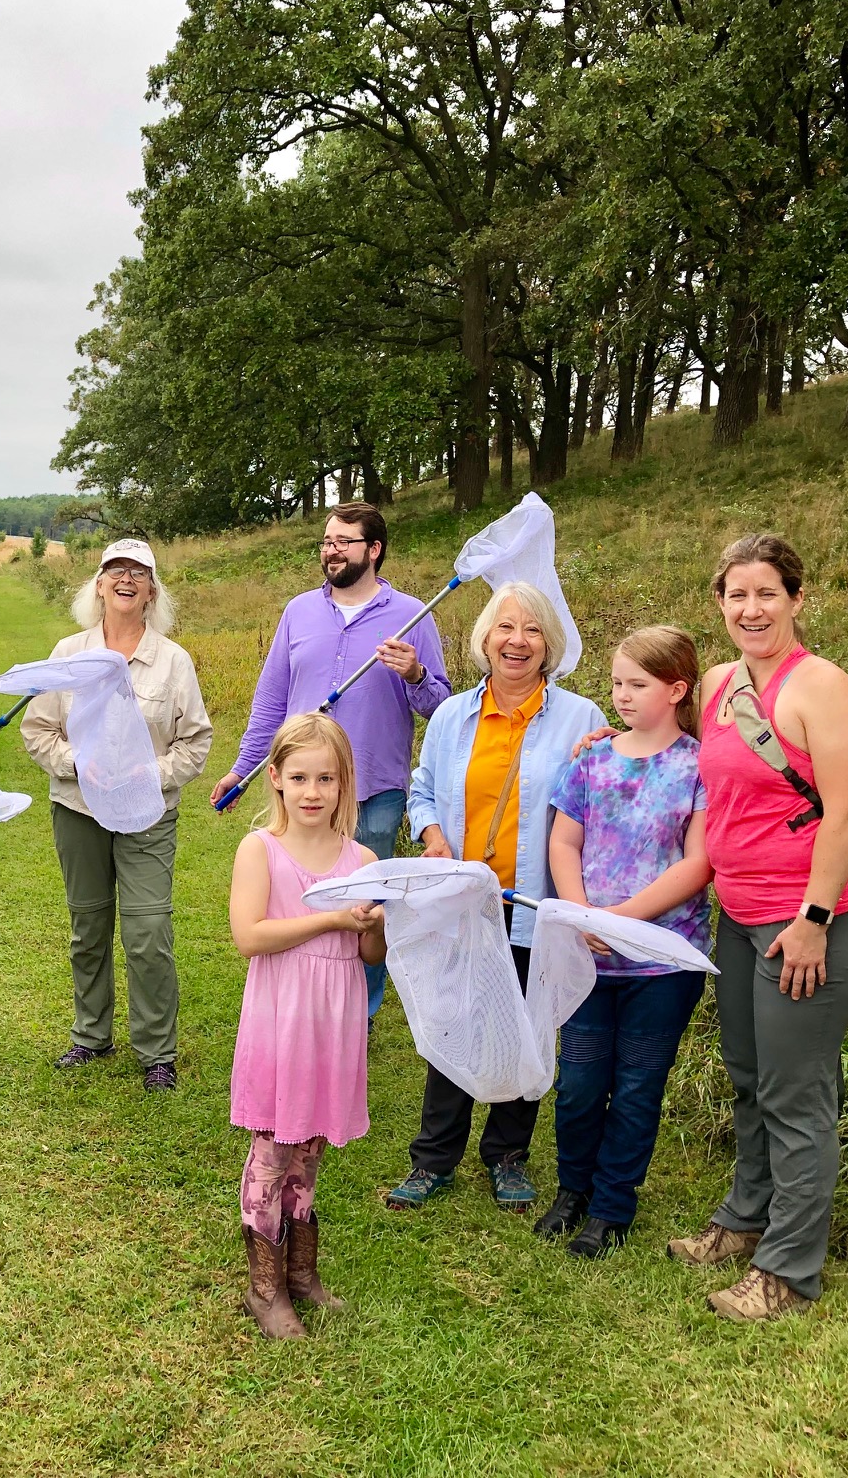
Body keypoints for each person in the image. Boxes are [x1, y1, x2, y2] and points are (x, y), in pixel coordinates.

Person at [666, 533, 848, 1322]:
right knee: (752, 1078)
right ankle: (744, 1217)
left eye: (766, 593)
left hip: (814, 921)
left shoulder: (820, 686)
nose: (750, 608)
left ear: (796, 598)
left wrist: (815, 921)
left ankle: (788, 1270)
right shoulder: (724, 682)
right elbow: (693, 756)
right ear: (719, 603)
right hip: (743, 917)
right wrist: (614, 741)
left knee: (797, 1094)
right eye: (736, 595)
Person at [388, 581, 606, 1214]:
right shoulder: (454, 715)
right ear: (484, 639)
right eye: (505, 628)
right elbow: (422, 787)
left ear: (551, 645)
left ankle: (508, 1154)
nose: (518, 641)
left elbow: (595, 801)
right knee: (453, 1018)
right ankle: (434, 1157)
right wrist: (431, 836)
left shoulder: (581, 719)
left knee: (526, 1026)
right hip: (465, 901)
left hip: (535, 901)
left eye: (533, 630)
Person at [213, 502, 449, 1025]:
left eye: (343, 541)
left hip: (375, 792)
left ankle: (355, 1015)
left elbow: (440, 707)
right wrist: (243, 766)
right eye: (326, 540)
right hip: (302, 793)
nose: (331, 550)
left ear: (374, 549)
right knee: (297, 901)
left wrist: (414, 674)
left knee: (365, 909)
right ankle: (298, 1005)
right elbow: (271, 699)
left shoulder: (412, 615)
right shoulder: (298, 611)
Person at [537, 626, 713, 1257]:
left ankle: (612, 1207)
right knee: (581, 1081)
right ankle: (572, 1189)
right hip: (587, 953)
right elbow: (564, 841)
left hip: (665, 959)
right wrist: (583, 917)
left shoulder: (700, 766)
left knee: (638, 1085)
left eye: (637, 684)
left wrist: (624, 920)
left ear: (676, 689)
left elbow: (698, 864)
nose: (621, 696)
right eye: (616, 682)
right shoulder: (592, 758)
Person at [24, 539, 214, 1090]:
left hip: (148, 815)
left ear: (153, 589)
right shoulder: (68, 654)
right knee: (88, 926)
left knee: (148, 930)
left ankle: (157, 1051)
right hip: (79, 808)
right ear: (99, 584)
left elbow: (195, 743)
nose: (126, 579)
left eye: (138, 572)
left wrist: (142, 777)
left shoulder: (173, 660)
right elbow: (39, 730)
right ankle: (91, 1037)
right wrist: (80, 767)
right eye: (115, 571)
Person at [227, 713, 385, 1339]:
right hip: (281, 1015)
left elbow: (371, 956)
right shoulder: (260, 849)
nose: (313, 791)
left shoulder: (363, 857)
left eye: (326, 778)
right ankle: (263, 1287)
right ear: (276, 780)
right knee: (273, 1148)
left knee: (311, 1143)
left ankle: (301, 1272)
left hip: (334, 1019)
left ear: (346, 784)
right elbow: (250, 936)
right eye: (299, 778)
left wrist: (372, 927)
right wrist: (330, 920)